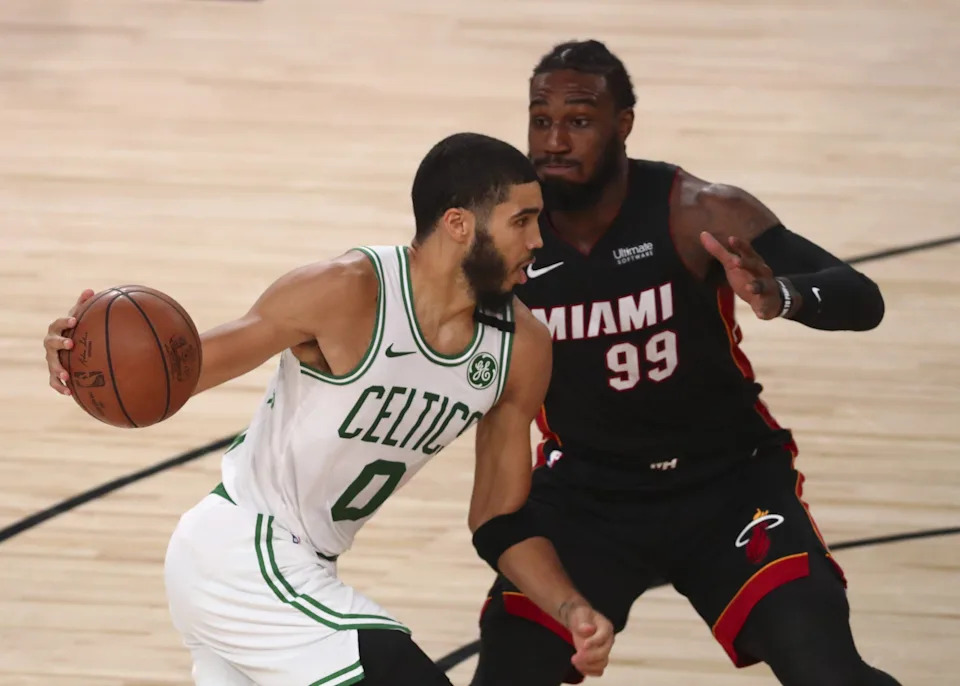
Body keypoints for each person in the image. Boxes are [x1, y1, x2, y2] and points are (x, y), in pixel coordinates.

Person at [43, 132, 615, 686]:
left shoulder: (522, 348)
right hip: (243, 553)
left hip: (304, 571)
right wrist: (81, 360)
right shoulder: (347, 291)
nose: (539, 240)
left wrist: (568, 608)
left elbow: (498, 519)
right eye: (522, 220)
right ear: (458, 224)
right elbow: (179, 373)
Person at [469, 41, 899, 686]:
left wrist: (780, 295)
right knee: (508, 671)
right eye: (540, 118)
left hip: (728, 484)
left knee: (826, 669)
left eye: (579, 120)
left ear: (623, 124)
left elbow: (861, 299)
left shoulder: (694, 209)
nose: (555, 139)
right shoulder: (506, 235)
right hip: (587, 497)